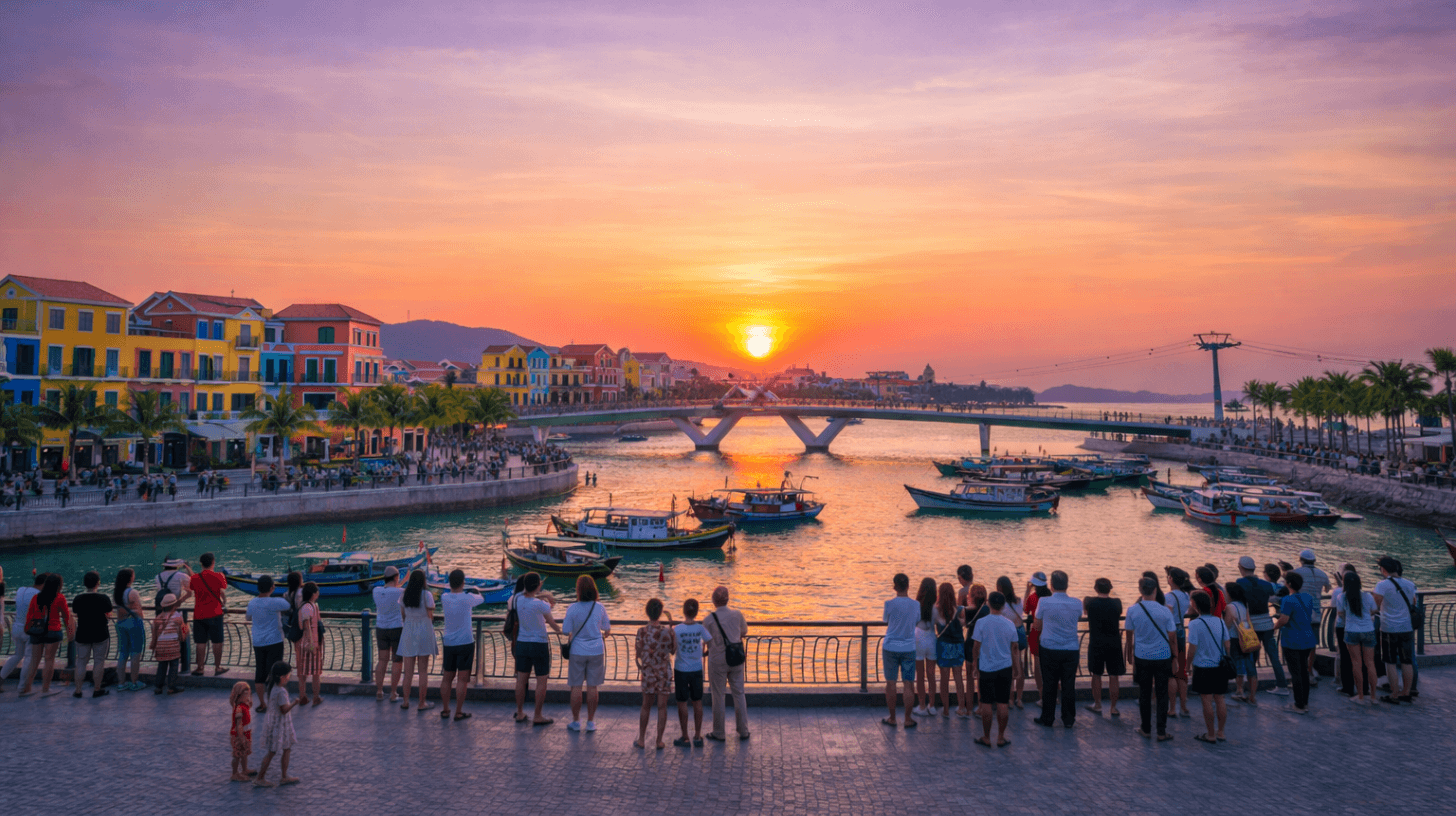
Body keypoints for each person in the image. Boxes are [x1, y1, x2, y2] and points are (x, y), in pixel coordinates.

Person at [1124, 576, 1177, 741]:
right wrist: (1175, 658)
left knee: (1144, 694)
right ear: (1155, 590)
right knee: (1162, 694)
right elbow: (1172, 637)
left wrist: (1129, 655)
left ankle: (1145, 729)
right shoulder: (1165, 611)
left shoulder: (1132, 610)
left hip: (1142, 656)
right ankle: (1161, 731)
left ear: (1140, 591)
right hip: (1163, 656)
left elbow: (1129, 636)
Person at [510, 571, 561, 724]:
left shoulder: (517, 599)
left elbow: (527, 596)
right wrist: (564, 632)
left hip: (522, 643)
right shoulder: (541, 605)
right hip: (539, 644)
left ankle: (519, 713)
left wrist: (542, 595)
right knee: (541, 681)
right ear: (538, 585)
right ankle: (537, 715)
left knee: (521, 680)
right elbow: (552, 624)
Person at [1033, 570, 1081, 728]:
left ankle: (1047, 718)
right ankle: (1068, 719)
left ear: (1051, 585)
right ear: (1067, 585)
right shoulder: (1077, 603)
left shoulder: (1044, 602)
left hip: (1049, 648)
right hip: (1071, 648)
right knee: (1068, 685)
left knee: (1049, 684)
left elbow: (1038, 626)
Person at [1235, 556, 1288, 697]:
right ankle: (1282, 685)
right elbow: (1278, 593)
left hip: (1251, 626)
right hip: (1267, 625)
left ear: (1241, 568)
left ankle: (1253, 689)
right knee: (1274, 657)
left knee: (1251, 657)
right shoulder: (1266, 584)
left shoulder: (1240, 583)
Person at [563, 575, 610, 732]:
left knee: (576, 686)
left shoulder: (572, 608)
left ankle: (576, 721)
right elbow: (607, 628)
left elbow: (565, 630)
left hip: (577, 650)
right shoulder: (600, 607)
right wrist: (601, 634)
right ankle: (590, 722)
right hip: (596, 649)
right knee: (593, 686)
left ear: (578, 590)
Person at [971, 591, 1017, 748]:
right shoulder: (1010, 624)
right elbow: (1014, 648)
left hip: (986, 668)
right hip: (1005, 667)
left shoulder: (982, 623)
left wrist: (975, 666)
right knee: (1003, 702)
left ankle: (986, 737)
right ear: (1004, 606)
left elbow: (976, 647)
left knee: (986, 703)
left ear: (988, 604)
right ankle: (1001, 737)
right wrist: (1016, 668)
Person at [705, 585, 750, 742]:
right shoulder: (737, 615)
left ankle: (719, 732)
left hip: (717, 660)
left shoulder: (708, 619)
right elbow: (744, 631)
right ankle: (743, 730)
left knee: (718, 695)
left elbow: (705, 638)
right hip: (736, 658)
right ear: (728, 599)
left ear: (713, 601)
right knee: (739, 693)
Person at [439, 569, 484, 722]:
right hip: (465, 642)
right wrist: (475, 590)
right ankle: (458, 712)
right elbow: (481, 598)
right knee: (462, 679)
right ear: (463, 582)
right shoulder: (468, 598)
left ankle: (445, 709)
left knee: (447, 678)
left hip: (449, 642)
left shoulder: (444, 597)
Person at [1186, 590, 1231, 744]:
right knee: (1220, 699)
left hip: (1203, 667)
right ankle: (1221, 732)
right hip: (1220, 665)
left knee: (1206, 700)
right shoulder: (1220, 621)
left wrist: (1187, 665)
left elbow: (1192, 649)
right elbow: (1227, 644)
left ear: (1195, 605)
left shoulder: (1195, 624)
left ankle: (1210, 734)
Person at [1372, 556, 1417, 704]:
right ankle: (1406, 692)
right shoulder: (1410, 584)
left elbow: (1374, 606)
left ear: (1383, 569)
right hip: (1407, 627)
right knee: (1407, 661)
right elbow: (1413, 602)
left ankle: (1395, 694)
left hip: (1389, 628)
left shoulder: (1382, 585)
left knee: (1390, 662)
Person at [20, 573, 72, 696]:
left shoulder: (36, 597)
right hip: (53, 632)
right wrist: (70, 632)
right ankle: (45, 689)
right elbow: (66, 617)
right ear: (59, 585)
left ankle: (27, 689)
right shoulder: (60, 598)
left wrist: (28, 629)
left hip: (37, 632)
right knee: (49, 660)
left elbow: (30, 615)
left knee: (34, 661)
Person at [634, 597, 676, 750]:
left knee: (646, 705)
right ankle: (659, 741)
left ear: (647, 612)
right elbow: (673, 650)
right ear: (660, 613)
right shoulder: (667, 632)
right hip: (664, 672)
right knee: (662, 707)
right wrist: (671, 628)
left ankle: (641, 739)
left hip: (648, 672)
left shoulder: (642, 631)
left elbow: (638, 653)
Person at [1272, 571, 1316, 714]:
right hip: (1308, 638)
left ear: (1289, 584)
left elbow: (1284, 620)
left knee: (1295, 672)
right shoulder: (1308, 597)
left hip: (1292, 640)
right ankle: (1305, 703)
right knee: (1304, 671)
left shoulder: (1287, 600)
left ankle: (1299, 704)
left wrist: (1274, 627)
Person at [245, 574, 291, 710]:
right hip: (275, 641)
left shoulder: (252, 602)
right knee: (276, 672)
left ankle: (262, 703)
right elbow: (288, 605)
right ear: (272, 587)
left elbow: (247, 617)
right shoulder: (276, 602)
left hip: (258, 641)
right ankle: (276, 702)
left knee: (260, 672)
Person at [672, 598, 712, 747]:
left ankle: (685, 736)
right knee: (697, 701)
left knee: (682, 701)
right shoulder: (700, 628)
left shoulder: (677, 629)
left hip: (681, 669)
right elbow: (710, 642)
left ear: (684, 611)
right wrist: (704, 653)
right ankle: (697, 735)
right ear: (696, 612)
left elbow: (673, 649)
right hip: (697, 669)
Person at [881, 573, 919, 728]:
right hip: (909, 647)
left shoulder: (889, 604)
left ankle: (892, 718)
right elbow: (917, 621)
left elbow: (885, 620)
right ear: (908, 586)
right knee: (908, 683)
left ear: (895, 586)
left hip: (890, 646)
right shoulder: (916, 605)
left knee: (891, 683)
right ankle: (908, 719)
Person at [253, 661, 299, 788]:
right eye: (289, 675)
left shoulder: (273, 688)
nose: (290, 677)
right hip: (279, 725)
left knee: (286, 748)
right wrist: (294, 703)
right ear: (282, 677)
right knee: (273, 751)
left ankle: (284, 776)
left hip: (277, 723)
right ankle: (260, 777)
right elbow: (284, 709)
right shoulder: (281, 692)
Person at [397, 569, 437, 712]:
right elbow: (430, 615)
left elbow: (403, 615)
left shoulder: (404, 595)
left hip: (408, 632)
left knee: (407, 672)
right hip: (424, 632)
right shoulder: (427, 595)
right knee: (423, 671)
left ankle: (406, 701)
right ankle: (422, 703)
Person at [1083, 577, 1123, 717]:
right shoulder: (1117, 603)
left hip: (1096, 643)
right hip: (1114, 643)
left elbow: (1085, 608)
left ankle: (1098, 704)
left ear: (1096, 589)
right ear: (1110, 589)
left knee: (1096, 675)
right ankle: (1113, 707)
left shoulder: (1090, 603)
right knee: (1114, 676)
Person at [70, 570, 113, 698]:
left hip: (83, 633)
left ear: (84, 584)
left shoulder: (78, 599)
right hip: (100, 633)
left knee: (81, 662)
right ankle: (97, 689)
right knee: (99, 662)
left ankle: (78, 691)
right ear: (98, 583)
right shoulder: (103, 598)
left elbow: (76, 613)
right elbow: (108, 613)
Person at [1338, 570, 1378, 706]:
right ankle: (1373, 696)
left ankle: (1360, 696)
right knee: (1370, 663)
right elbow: (1374, 610)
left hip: (1351, 631)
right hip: (1368, 630)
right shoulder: (1368, 596)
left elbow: (1340, 613)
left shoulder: (1342, 597)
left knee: (1356, 663)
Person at [1291, 549, 1330, 685]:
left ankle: (1301, 672)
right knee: (1312, 644)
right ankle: (1310, 670)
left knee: (1299, 644)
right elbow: (1327, 589)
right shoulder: (1322, 573)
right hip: (1317, 613)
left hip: (1301, 613)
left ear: (1301, 560)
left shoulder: (1296, 572)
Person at [2, 573, 44, 690]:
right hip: (29, 629)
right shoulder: (39, 595)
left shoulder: (20, 590)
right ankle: (22, 687)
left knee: (17, 655)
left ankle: (1, 678)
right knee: (29, 657)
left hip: (16, 627)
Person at [190, 552, 228, 678]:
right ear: (213, 562)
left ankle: (200, 668)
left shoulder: (195, 578)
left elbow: (192, 588)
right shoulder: (219, 576)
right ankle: (217, 667)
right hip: (215, 613)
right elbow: (222, 589)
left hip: (199, 614)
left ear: (201, 564)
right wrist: (224, 602)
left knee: (200, 642)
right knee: (217, 642)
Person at [1222, 581, 1259, 705]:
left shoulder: (1230, 607)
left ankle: (1237, 691)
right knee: (1250, 668)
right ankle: (1252, 696)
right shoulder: (1244, 605)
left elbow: (1227, 625)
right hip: (1248, 638)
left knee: (1235, 666)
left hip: (1235, 639)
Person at [933, 582, 967, 717]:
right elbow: (964, 624)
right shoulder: (960, 610)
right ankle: (962, 708)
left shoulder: (937, 610)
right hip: (958, 645)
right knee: (958, 678)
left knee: (944, 679)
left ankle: (946, 710)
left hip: (943, 646)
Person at [1164, 567, 1194, 718]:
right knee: (1181, 671)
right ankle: (1184, 706)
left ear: (1171, 579)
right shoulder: (1185, 595)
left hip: (1172, 632)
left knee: (1171, 673)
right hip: (1182, 631)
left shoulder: (1169, 596)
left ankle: (1172, 708)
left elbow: (1167, 616)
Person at [372, 566, 405, 701]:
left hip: (381, 628)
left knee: (382, 660)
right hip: (397, 628)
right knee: (397, 661)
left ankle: (379, 691)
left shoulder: (376, 591)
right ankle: (393, 693)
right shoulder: (401, 592)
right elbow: (398, 591)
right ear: (396, 578)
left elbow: (391, 589)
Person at [993, 576, 1026, 708]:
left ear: (999, 588)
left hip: (1008, 637)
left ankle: (1010, 699)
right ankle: (1019, 698)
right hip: (1020, 634)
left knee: (1010, 668)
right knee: (1020, 666)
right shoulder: (1019, 601)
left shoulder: (1002, 604)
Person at [112, 569, 146, 691]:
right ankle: (134, 681)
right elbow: (139, 612)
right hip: (133, 623)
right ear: (130, 578)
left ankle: (121, 682)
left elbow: (119, 610)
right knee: (135, 653)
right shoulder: (132, 593)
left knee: (123, 653)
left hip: (120, 624)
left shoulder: (116, 593)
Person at [151, 592, 189, 695]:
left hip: (161, 647)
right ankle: (171, 687)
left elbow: (154, 633)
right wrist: (186, 627)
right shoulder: (178, 617)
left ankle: (158, 687)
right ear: (174, 605)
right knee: (173, 666)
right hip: (173, 646)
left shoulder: (158, 618)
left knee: (162, 666)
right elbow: (182, 634)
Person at [912, 576, 938, 716]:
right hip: (932, 639)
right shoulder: (936, 607)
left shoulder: (916, 606)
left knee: (920, 675)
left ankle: (921, 706)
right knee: (931, 675)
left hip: (918, 638)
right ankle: (932, 705)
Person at [1024, 572, 1051, 701]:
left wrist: (1027, 591)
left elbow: (1025, 609)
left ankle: (1042, 696)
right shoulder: (1051, 597)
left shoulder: (1033, 598)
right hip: (1050, 631)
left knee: (1038, 666)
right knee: (1051, 666)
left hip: (1036, 632)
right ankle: (1053, 696)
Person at [296, 582, 323, 707]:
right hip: (311, 644)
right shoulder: (309, 607)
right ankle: (315, 697)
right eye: (317, 591)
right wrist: (311, 643)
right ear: (313, 594)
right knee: (315, 672)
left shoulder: (305, 605)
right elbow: (307, 626)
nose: (318, 593)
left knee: (303, 672)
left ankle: (303, 696)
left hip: (303, 643)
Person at [229, 681, 256, 782]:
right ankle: (235, 773)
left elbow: (249, 706)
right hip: (239, 734)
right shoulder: (239, 708)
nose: (248, 697)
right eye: (247, 695)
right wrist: (241, 737)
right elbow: (239, 725)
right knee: (238, 754)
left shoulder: (243, 705)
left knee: (244, 753)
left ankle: (244, 770)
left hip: (246, 733)